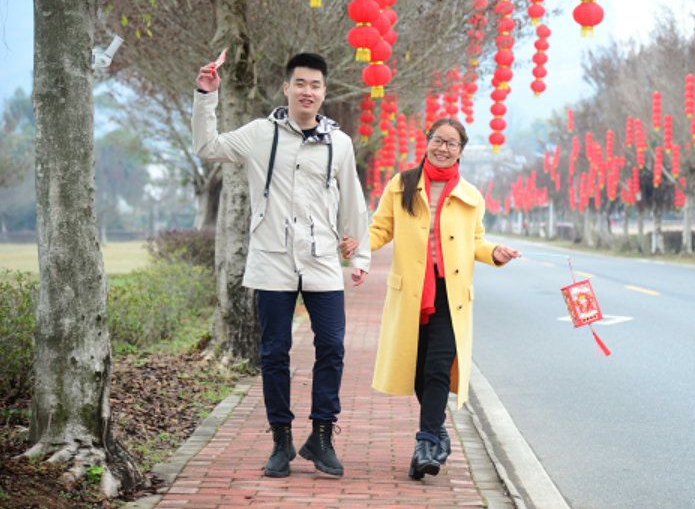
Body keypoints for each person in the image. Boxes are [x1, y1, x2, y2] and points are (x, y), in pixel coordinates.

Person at [193, 53, 371, 479]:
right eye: (301, 84)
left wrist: (359, 254)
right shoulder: (259, 134)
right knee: (274, 353)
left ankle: (322, 438)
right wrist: (206, 97)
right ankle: (281, 441)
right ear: (287, 88)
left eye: (316, 85)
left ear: (323, 93)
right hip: (272, 262)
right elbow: (207, 147)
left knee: (332, 346)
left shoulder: (339, 144)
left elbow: (354, 203)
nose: (308, 91)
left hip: (323, 261)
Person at [340, 118, 519, 479]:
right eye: (438, 140)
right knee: (419, 371)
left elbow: (477, 241)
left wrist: (494, 252)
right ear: (427, 143)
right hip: (411, 294)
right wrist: (359, 247)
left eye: (452, 144)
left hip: (449, 297)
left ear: (461, 152)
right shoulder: (401, 184)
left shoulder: (470, 196)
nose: (443, 148)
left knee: (438, 367)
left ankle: (425, 445)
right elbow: (380, 229)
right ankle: (438, 433)